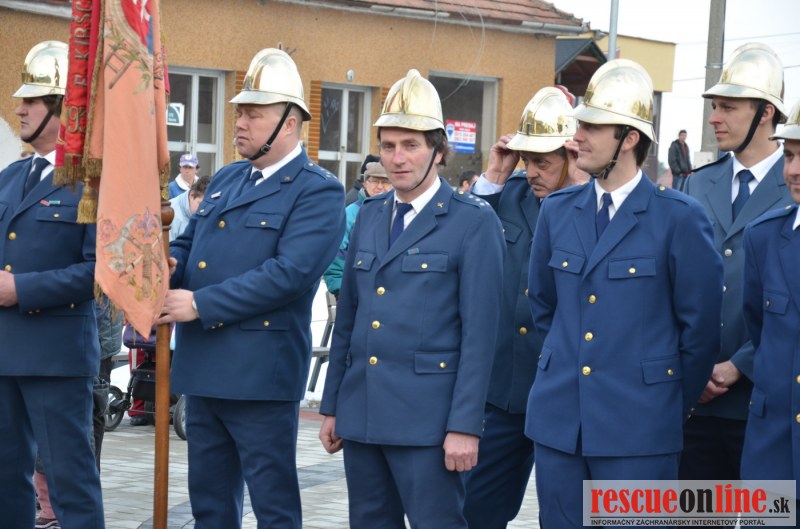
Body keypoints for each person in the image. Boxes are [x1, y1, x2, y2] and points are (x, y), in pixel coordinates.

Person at [525, 59, 722, 528]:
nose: (577, 137)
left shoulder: (678, 218)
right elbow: (544, 307)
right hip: (561, 427)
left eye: (592, 127)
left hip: (640, 431)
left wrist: (664, 405)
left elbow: (699, 333)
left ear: (629, 138)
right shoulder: (557, 210)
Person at [157, 48, 345, 529]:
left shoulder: (317, 190)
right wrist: (169, 264)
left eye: (253, 114)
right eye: (239, 112)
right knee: (210, 505)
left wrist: (200, 303)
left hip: (260, 375)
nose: (239, 122)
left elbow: (289, 274)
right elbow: (191, 244)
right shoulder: (227, 177)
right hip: (205, 367)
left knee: (272, 507)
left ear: (289, 122)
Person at [319, 68, 505, 529]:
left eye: (411, 145)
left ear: (438, 150)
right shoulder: (368, 214)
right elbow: (349, 320)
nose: (397, 158)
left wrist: (465, 426)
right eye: (388, 146)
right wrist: (334, 406)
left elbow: (480, 336)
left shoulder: (472, 221)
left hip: (430, 424)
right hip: (363, 415)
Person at [463, 86, 587, 528]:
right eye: (527, 160)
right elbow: (464, 240)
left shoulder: (594, 203)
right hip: (505, 390)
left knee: (566, 515)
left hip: (567, 392)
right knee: (475, 510)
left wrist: (581, 188)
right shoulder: (509, 195)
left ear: (571, 156)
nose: (532, 171)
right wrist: (495, 176)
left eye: (543, 162)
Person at [0, 41, 104, 529]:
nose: (19, 109)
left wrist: (22, 289)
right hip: (4, 352)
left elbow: (101, 271)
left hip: (56, 357)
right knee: (5, 479)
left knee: (70, 481)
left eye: (32, 100)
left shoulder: (93, 180)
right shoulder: (10, 176)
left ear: (64, 106)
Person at [682, 42, 792, 482]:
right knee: (699, 512)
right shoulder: (697, 184)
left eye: (728, 107)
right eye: (714, 106)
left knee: (770, 511)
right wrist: (693, 366)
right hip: (695, 403)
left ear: (766, 113)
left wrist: (739, 365)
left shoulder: (793, 187)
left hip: (765, 404)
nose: (714, 117)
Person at [741, 100, 800, 522]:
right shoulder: (763, 237)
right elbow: (758, 328)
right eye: (791, 155)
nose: (793, 170)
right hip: (773, 450)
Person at [323, 161, 392, 298]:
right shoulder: (350, 214)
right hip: (354, 293)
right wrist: (340, 290)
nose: (379, 186)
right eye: (374, 181)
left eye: (385, 182)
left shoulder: (398, 213)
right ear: (365, 183)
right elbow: (335, 255)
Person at [169, 174, 210, 241]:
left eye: (208, 206)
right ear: (192, 195)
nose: (204, 210)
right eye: (201, 205)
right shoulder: (171, 214)